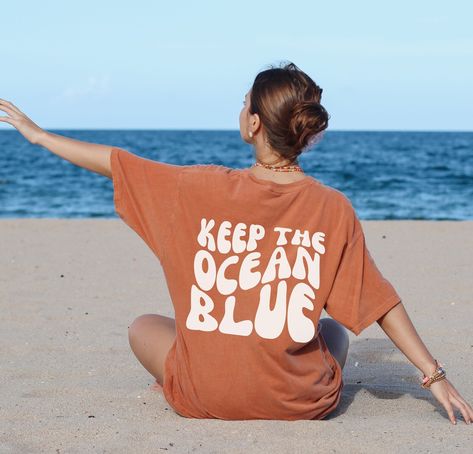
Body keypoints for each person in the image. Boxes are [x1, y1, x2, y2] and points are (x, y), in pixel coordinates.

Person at [1, 61, 472, 424]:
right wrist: (434, 376)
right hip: (299, 404)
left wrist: (40, 137)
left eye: (244, 103)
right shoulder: (332, 208)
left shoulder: (197, 187)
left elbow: (117, 162)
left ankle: (201, 373)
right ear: (303, 135)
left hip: (204, 397)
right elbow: (379, 301)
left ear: (253, 125)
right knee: (335, 331)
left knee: (143, 326)